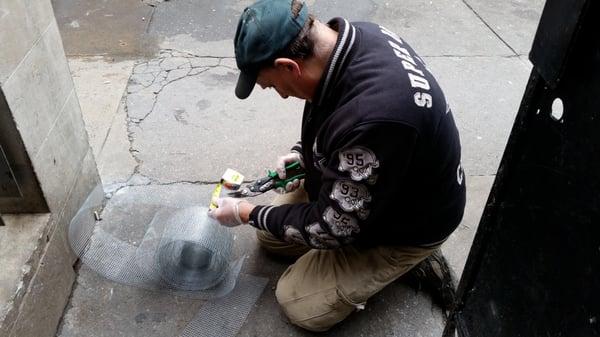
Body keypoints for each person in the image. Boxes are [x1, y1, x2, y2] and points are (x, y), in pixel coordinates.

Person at [208, 0, 466, 331]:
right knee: (271, 240)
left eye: (271, 85)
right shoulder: (350, 39)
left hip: (411, 222)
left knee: (297, 300)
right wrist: (303, 153)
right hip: (383, 168)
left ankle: (407, 261)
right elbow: (336, 116)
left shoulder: (377, 116)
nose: (280, 95)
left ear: (289, 66)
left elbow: (330, 228)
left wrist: (246, 213)